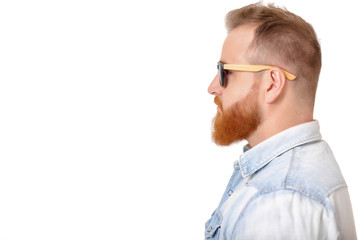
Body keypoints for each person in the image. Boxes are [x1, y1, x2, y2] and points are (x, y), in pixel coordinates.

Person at [205, 2, 357, 239]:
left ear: (272, 83)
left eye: (225, 71)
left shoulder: (277, 199)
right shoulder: (294, 172)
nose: (213, 87)